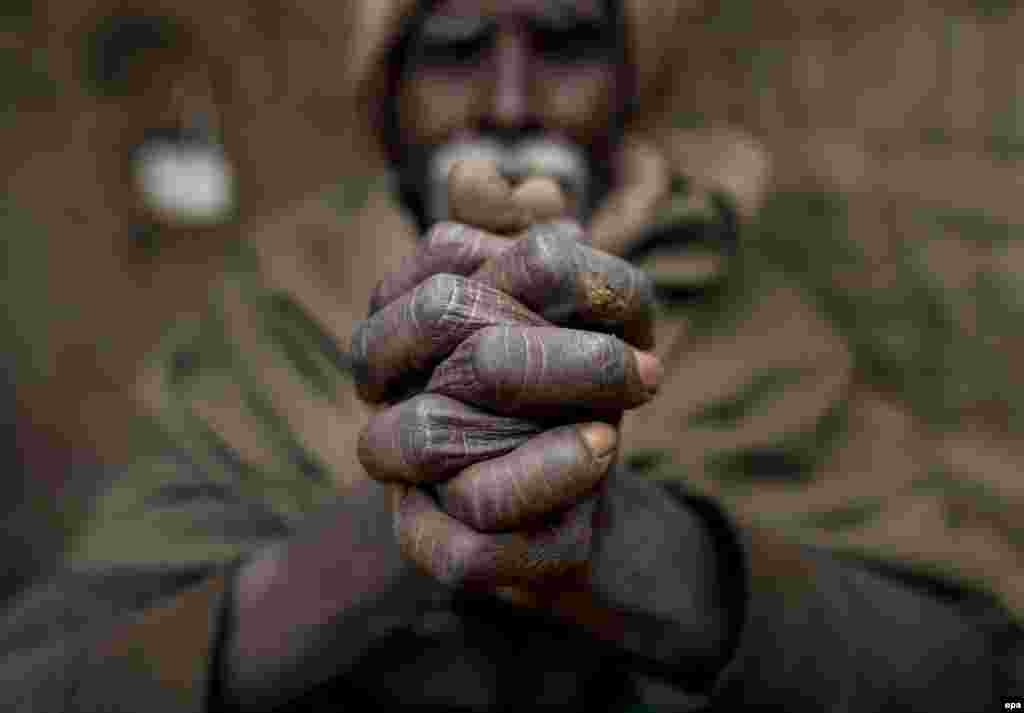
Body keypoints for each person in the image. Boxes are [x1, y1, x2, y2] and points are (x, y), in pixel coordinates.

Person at [3, 1, 1022, 711]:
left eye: (565, 45)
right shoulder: (268, 321)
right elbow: (54, 680)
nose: (509, 104)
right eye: (453, 50)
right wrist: (392, 536)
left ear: (632, 79)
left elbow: (966, 672)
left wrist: (646, 547)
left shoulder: (751, 320)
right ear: (386, 93)